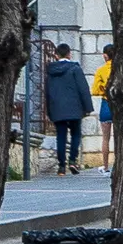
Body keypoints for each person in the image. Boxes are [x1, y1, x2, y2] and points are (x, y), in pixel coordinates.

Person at [40, 43, 94, 174]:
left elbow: (47, 92)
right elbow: (83, 89)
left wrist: (49, 110)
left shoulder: (51, 72)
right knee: (76, 134)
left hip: (58, 108)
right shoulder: (75, 69)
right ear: (69, 54)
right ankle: (73, 161)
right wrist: (88, 107)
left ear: (56, 55)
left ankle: (61, 167)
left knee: (61, 136)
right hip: (74, 107)